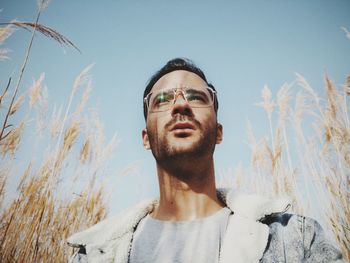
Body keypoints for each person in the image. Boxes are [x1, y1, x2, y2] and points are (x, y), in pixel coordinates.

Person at [67, 58, 345, 263]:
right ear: (145, 138)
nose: (180, 105)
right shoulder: (92, 253)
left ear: (219, 133)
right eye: (162, 100)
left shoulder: (294, 238)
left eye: (197, 97)